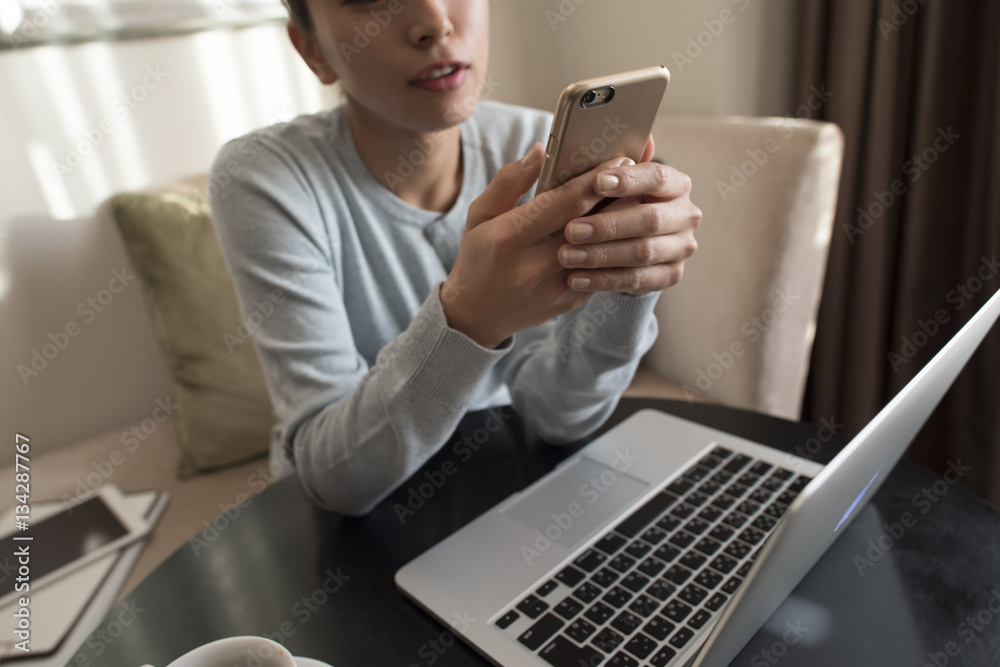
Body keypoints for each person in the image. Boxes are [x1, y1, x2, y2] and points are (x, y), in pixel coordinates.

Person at [210, 0, 701, 516]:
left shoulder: (535, 148)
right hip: (343, 539)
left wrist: (628, 284)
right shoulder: (266, 178)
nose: (434, 23)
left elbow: (559, 415)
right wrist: (468, 317)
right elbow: (337, 478)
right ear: (312, 50)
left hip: (500, 486)